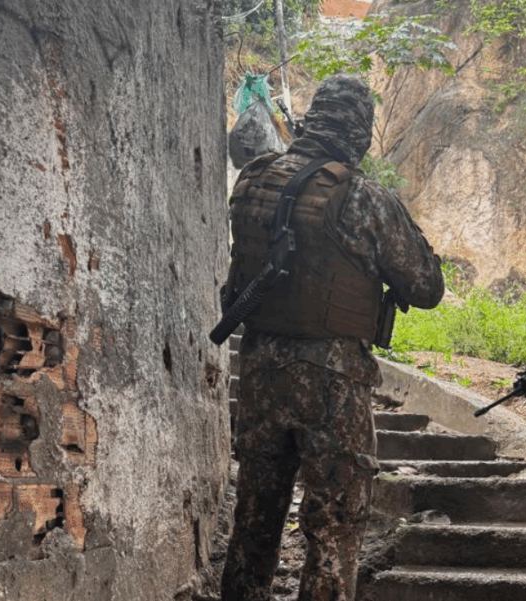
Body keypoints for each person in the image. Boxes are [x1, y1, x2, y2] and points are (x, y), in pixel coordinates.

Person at [219, 74, 444, 601]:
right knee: (335, 523)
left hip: (258, 368)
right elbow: (427, 286)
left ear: (311, 122)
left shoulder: (253, 178)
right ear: (360, 134)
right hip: (332, 378)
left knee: (255, 516)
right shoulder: (363, 196)